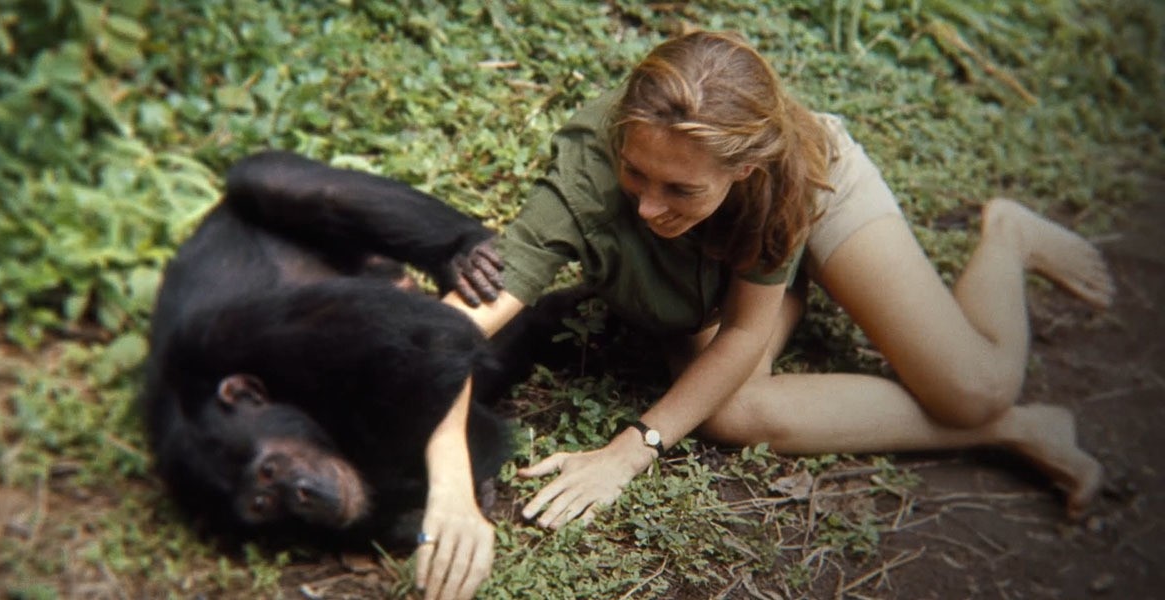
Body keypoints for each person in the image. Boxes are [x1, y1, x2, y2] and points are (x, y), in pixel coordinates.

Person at [414, 30, 1114, 600]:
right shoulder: (590, 174)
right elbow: (446, 337)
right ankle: (1015, 428)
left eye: (678, 189)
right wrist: (449, 490)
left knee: (977, 388)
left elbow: (748, 328)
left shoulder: (785, 174)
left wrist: (627, 453)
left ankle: (1008, 236)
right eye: (636, 173)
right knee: (731, 412)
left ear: (742, 170)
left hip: (814, 207)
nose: (648, 206)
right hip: (715, 271)